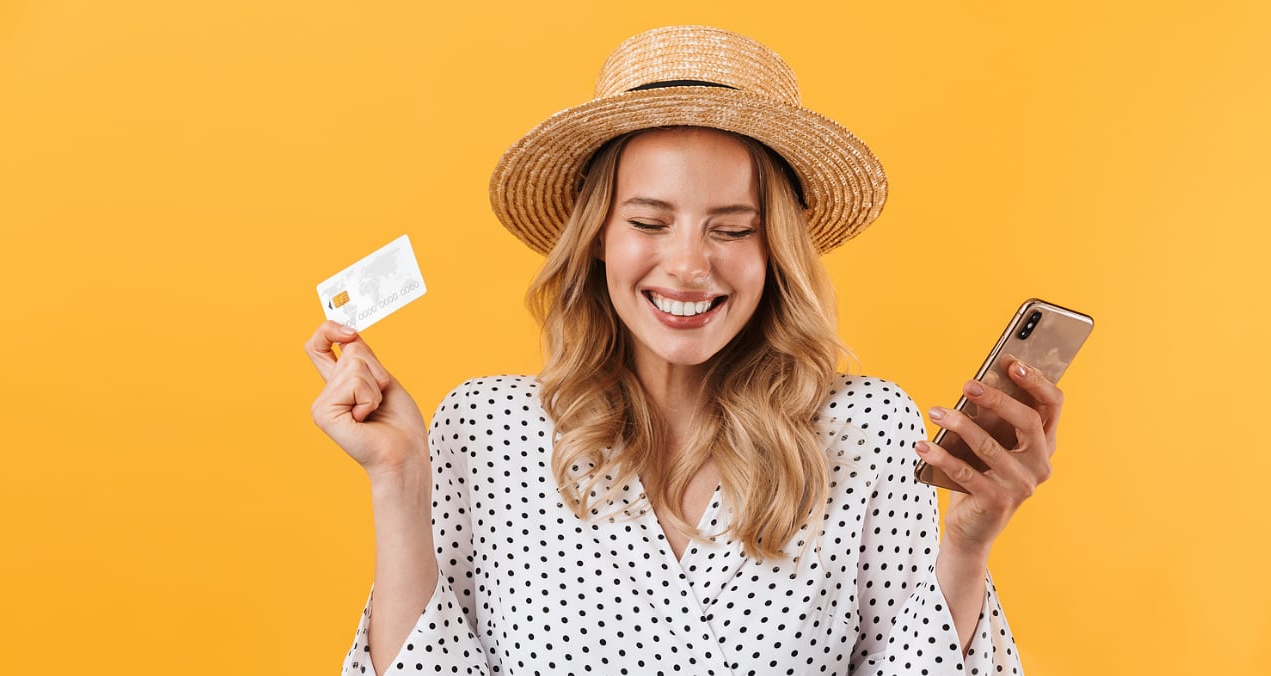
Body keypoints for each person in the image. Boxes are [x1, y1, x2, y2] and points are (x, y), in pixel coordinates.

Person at [306, 25, 1059, 675]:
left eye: (732, 228)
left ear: (777, 254)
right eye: (650, 221)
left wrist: (963, 548)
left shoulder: (867, 430)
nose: (691, 265)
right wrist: (399, 482)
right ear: (599, 237)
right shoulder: (485, 428)